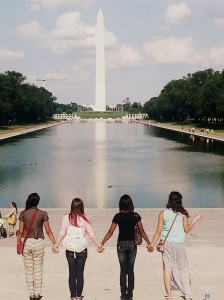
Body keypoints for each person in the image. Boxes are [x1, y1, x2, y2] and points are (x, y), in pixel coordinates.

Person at [148, 191, 203, 300]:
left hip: (166, 243)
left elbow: (158, 231)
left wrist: (152, 244)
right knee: (183, 268)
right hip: (179, 244)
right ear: (179, 201)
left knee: (167, 269)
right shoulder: (183, 213)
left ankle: (169, 295)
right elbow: (187, 230)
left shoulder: (163, 213)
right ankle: (187, 294)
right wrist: (195, 220)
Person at [100, 194, 151, 300]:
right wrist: (149, 243)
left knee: (123, 270)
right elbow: (141, 231)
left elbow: (110, 232)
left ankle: (123, 295)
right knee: (131, 270)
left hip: (121, 245)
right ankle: (130, 294)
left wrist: (102, 242)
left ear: (121, 204)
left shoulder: (117, 216)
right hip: (132, 244)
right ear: (130, 204)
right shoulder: (136, 216)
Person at [52, 197, 104, 300]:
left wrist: (55, 245)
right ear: (81, 207)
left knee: (72, 273)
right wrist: (99, 245)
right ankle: (79, 296)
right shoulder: (84, 219)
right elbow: (90, 233)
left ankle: (72, 296)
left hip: (70, 250)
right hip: (82, 250)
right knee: (80, 273)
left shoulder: (66, 218)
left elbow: (62, 233)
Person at [17, 193, 56, 300]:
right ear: (37, 202)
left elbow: (20, 232)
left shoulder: (23, 214)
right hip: (38, 243)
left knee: (29, 270)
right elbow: (48, 231)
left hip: (27, 243)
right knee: (38, 270)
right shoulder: (43, 214)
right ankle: (37, 294)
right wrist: (54, 243)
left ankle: (31, 294)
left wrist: (18, 243)